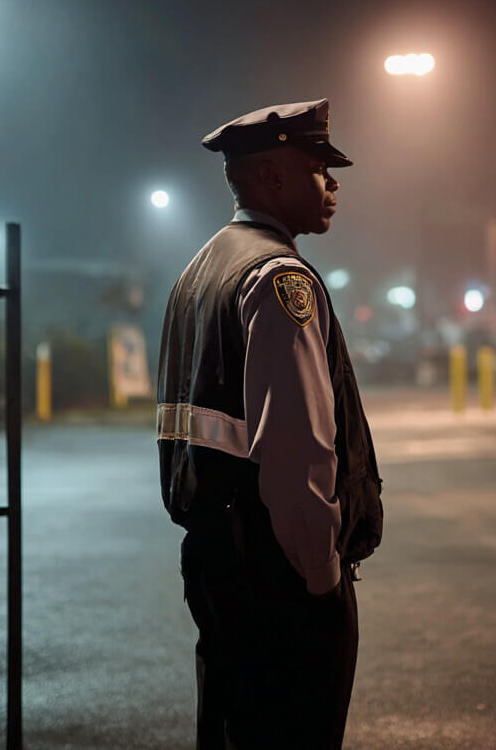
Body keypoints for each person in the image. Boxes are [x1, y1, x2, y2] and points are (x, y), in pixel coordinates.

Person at [157, 98, 383, 750]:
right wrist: (322, 578)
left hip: (214, 560)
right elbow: (297, 455)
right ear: (275, 177)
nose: (334, 184)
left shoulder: (199, 272)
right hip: (277, 580)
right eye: (320, 168)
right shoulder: (277, 277)